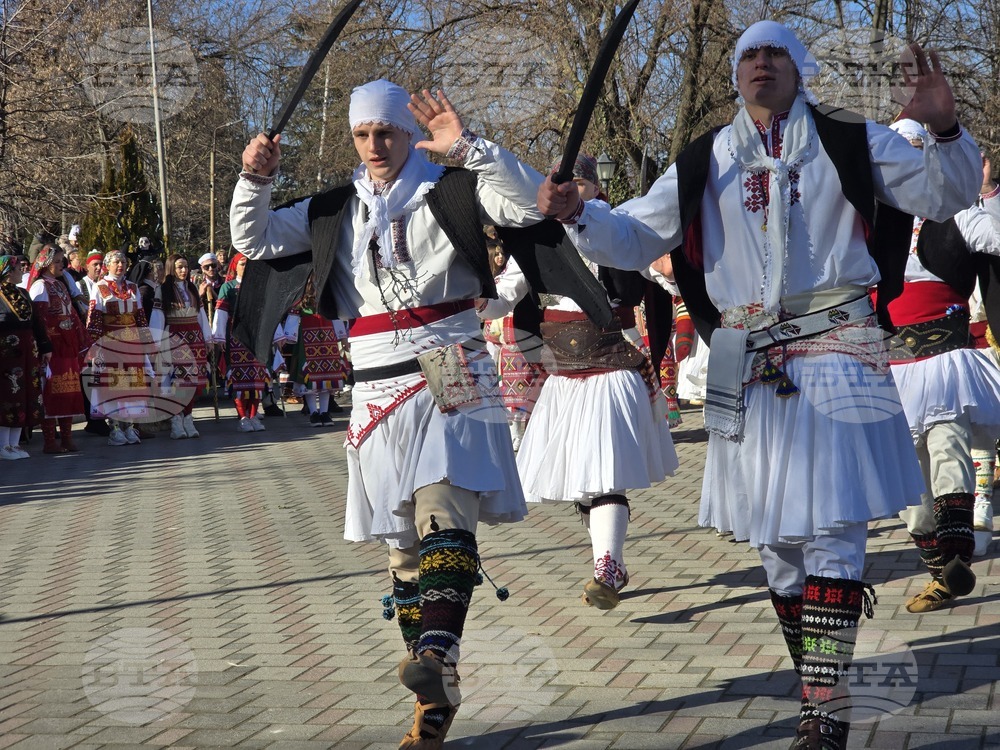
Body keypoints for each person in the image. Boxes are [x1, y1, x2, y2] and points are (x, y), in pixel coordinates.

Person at [537, 20, 983, 749]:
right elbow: (635, 236)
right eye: (749, 55)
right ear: (735, 73)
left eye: (775, 53)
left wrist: (945, 128)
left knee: (836, 528)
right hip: (744, 359)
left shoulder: (851, 138)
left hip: (840, 344)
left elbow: (944, 195)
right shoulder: (704, 156)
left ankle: (826, 712)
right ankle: (819, 695)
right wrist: (581, 214)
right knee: (774, 543)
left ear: (797, 68)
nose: (761, 65)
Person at [231, 79, 544, 749]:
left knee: (443, 511)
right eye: (362, 135)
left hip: (451, 366)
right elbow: (253, 241)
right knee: (402, 548)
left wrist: (471, 148)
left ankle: (434, 655)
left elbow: (529, 203)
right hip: (374, 384)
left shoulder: (452, 189)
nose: (375, 146)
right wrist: (254, 179)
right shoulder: (333, 208)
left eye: (388, 132)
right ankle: (433, 700)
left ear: (409, 133)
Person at [482, 154, 678, 611]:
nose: (567, 192)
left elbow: (652, 266)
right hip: (564, 375)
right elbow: (504, 295)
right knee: (586, 482)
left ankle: (606, 567)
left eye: (577, 184)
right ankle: (609, 563)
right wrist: (469, 302)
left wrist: (670, 274)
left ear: (593, 188)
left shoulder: (617, 223)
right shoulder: (538, 238)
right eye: (558, 184)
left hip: (612, 367)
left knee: (605, 472)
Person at [884, 121, 1000, 612]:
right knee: (909, 489)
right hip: (892, 367)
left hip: (945, 358)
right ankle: (941, 573)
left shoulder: (959, 214)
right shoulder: (873, 222)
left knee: (948, 450)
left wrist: (982, 197)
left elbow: (994, 235)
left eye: (916, 150)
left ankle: (959, 553)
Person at [85, 250, 154, 446]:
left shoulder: (132, 287)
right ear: (108, 265)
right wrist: (94, 345)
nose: (120, 265)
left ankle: (130, 426)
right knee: (114, 386)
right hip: (111, 343)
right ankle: (114, 427)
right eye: (116, 262)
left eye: (123, 262)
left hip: (132, 344)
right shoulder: (100, 287)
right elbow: (94, 318)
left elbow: (140, 316)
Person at [28, 244, 88, 453]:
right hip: (53, 348)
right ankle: (49, 442)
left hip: (67, 345)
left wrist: (81, 338)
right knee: (52, 392)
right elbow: (39, 319)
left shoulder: (60, 285)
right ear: (45, 264)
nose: (62, 265)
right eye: (57, 261)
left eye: (62, 261)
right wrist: (44, 344)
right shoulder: (40, 286)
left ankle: (67, 438)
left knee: (69, 392)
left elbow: (71, 314)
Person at [152, 253, 212, 439]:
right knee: (176, 381)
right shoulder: (163, 290)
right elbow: (158, 317)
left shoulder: (192, 288)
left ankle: (189, 418)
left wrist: (207, 338)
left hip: (194, 339)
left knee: (191, 382)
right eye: (179, 267)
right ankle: (176, 421)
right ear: (172, 268)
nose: (184, 270)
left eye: (185, 266)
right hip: (174, 338)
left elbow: (201, 315)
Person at [211, 253, 271, 432]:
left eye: (249, 264)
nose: (246, 268)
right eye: (243, 264)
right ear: (235, 266)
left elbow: (267, 313)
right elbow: (220, 313)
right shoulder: (228, 287)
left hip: (256, 336)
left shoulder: (259, 286)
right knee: (239, 379)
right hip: (236, 337)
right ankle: (242, 417)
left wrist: (276, 335)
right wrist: (219, 337)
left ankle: (253, 416)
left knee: (257, 378)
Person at [281, 278, 350, 425]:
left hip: (328, 343)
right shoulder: (299, 301)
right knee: (310, 380)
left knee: (326, 378)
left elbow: (336, 318)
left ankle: (324, 412)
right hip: (307, 344)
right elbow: (292, 320)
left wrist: (343, 338)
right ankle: (313, 413)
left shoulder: (328, 299)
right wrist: (286, 339)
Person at [0, 255, 48, 459]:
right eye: (19, 268)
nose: (23, 270)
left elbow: (36, 322)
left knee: (27, 393)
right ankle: (3, 446)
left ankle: (15, 444)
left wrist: (46, 346)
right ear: (8, 272)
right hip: (7, 356)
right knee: (9, 395)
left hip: (29, 352)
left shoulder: (23, 293)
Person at [196, 252, 223, 324]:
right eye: (206, 267)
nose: (210, 269)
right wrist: (200, 295)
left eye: (213, 265)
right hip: (202, 322)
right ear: (202, 268)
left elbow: (226, 306)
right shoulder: (196, 283)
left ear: (217, 265)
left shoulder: (225, 283)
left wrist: (213, 293)